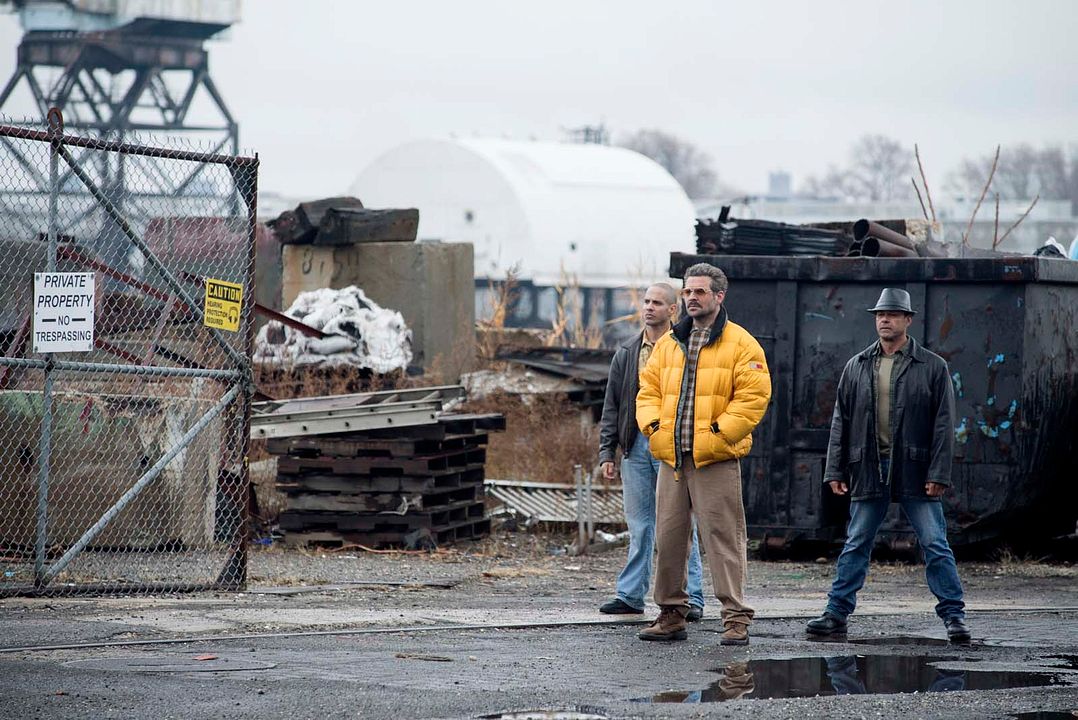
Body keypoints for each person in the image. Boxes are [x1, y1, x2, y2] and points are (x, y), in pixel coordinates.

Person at [805, 288, 971, 643]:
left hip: (915, 467)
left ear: (908, 320)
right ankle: (835, 614)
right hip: (868, 466)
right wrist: (834, 470)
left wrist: (938, 474)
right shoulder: (857, 365)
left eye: (893, 315)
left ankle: (954, 617)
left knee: (935, 543)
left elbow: (944, 424)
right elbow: (841, 421)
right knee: (856, 542)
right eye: (880, 315)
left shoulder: (932, 366)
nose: (884, 320)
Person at [635, 263, 772, 645]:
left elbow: (754, 397)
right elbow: (647, 391)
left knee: (724, 539)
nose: (692, 298)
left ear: (718, 296)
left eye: (699, 292)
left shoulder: (741, 343)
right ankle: (671, 614)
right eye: (687, 292)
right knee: (669, 538)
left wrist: (717, 434)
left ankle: (735, 618)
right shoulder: (668, 343)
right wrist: (655, 430)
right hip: (672, 459)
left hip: (715, 460)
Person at [596, 283, 706, 621]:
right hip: (635, 446)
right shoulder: (628, 352)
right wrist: (607, 453)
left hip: (673, 445)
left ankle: (694, 598)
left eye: (657, 303)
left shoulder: (687, 349)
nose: (648, 308)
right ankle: (630, 595)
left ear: (673, 310)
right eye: (645, 302)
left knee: (680, 525)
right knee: (640, 524)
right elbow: (612, 406)